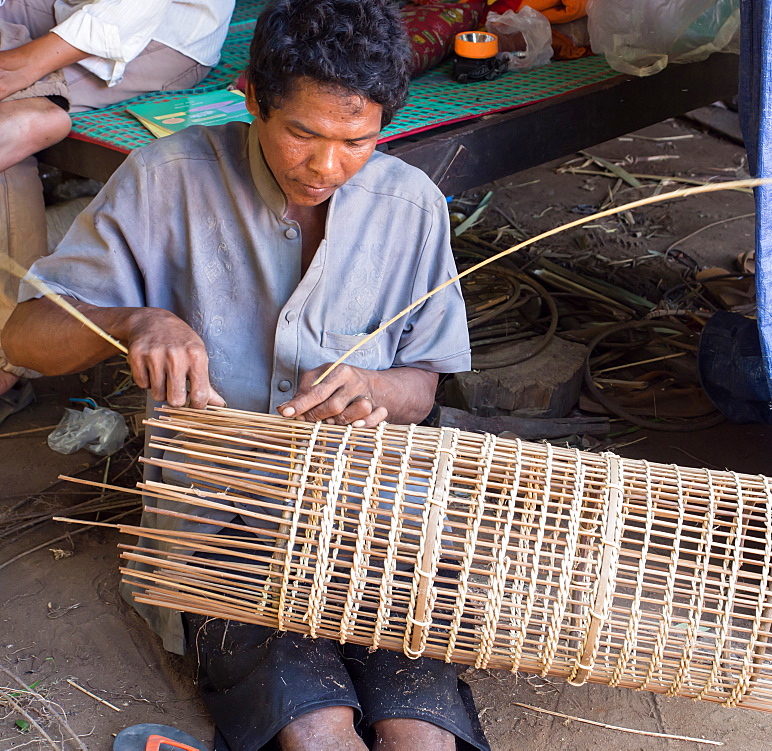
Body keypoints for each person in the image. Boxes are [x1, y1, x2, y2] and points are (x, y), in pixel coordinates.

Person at [2, 1, 486, 749]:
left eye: (357, 140)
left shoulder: (411, 207)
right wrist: (135, 322)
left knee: (419, 733)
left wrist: (378, 391)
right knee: (318, 731)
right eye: (303, 133)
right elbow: (25, 336)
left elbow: (420, 385)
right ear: (253, 97)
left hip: (377, 523)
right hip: (222, 528)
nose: (326, 166)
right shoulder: (171, 178)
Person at [0, 0, 236, 420]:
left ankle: (5, 352)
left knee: (10, 128)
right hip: (52, 8)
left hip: (151, 26)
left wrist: (21, 66)